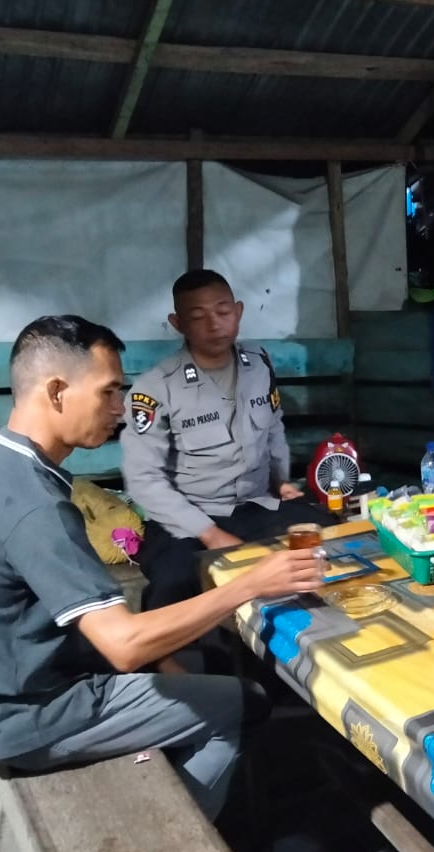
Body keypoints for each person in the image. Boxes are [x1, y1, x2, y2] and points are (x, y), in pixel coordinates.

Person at [0, 316, 325, 818]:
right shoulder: (33, 503)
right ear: (57, 391)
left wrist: (160, 663)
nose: (120, 409)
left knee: (185, 667)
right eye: (108, 392)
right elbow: (122, 645)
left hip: (3, 689)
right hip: (26, 715)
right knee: (242, 702)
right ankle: (178, 847)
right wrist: (252, 583)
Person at [121, 270, 329, 663]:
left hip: (254, 506)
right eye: (198, 316)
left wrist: (281, 482)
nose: (214, 324)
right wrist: (210, 534)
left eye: (222, 311)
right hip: (188, 519)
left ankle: (306, 654)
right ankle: (177, 671)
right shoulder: (154, 388)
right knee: (175, 579)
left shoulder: (257, 363)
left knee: (325, 540)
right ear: (177, 324)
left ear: (238, 311)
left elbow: (273, 426)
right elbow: (143, 481)